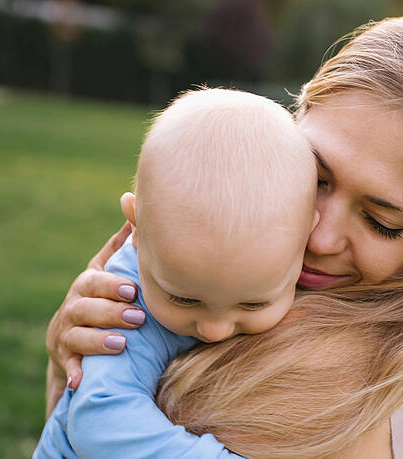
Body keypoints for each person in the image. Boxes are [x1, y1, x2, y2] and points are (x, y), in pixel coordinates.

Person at [44, 6, 403, 458]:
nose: (319, 237)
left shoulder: (324, 393)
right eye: (316, 178)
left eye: (381, 222)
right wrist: (66, 364)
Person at [35, 88, 317, 458]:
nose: (214, 329)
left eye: (253, 303)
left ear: (306, 238)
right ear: (137, 227)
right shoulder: (121, 304)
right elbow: (96, 421)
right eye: (184, 298)